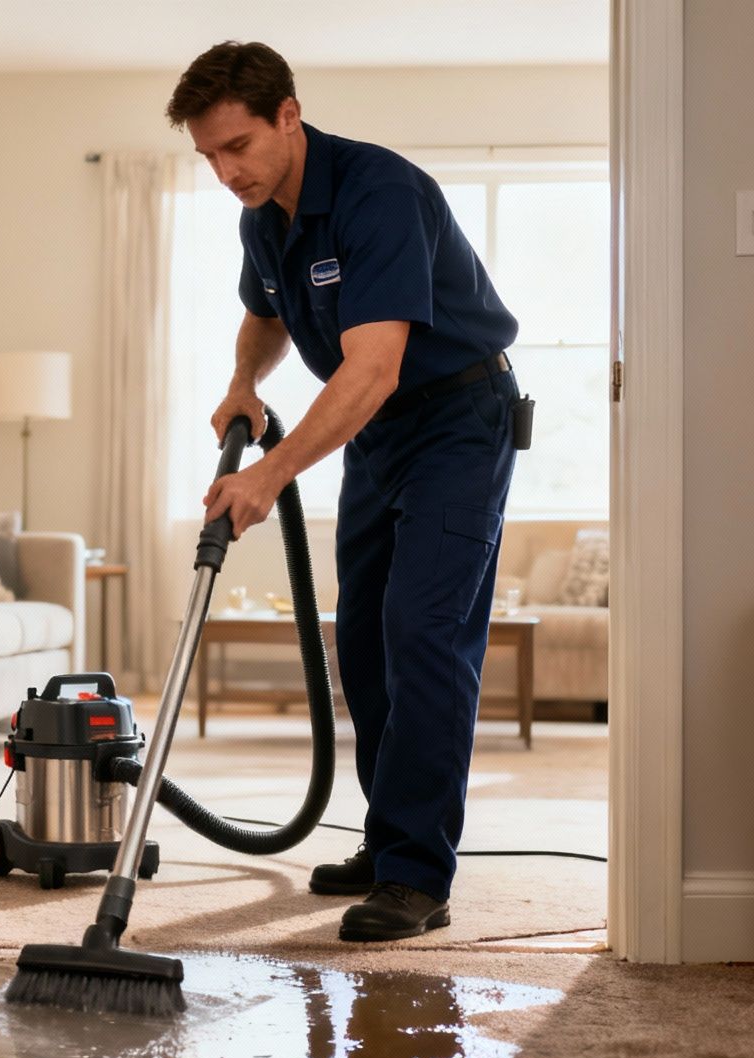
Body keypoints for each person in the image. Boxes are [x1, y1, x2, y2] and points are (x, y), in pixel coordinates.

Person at [167, 42, 523, 942]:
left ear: (289, 113)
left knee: (422, 634)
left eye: (238, 146)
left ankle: (416, 874)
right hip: (377, 435)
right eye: (209, 156)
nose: (226, 171)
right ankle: (387, 838)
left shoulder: (378, 193)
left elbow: (371, 368)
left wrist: (268, 474)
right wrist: (245, 381)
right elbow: (267, 309)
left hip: (455, 419)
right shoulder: (264, 214)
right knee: (361, 641)